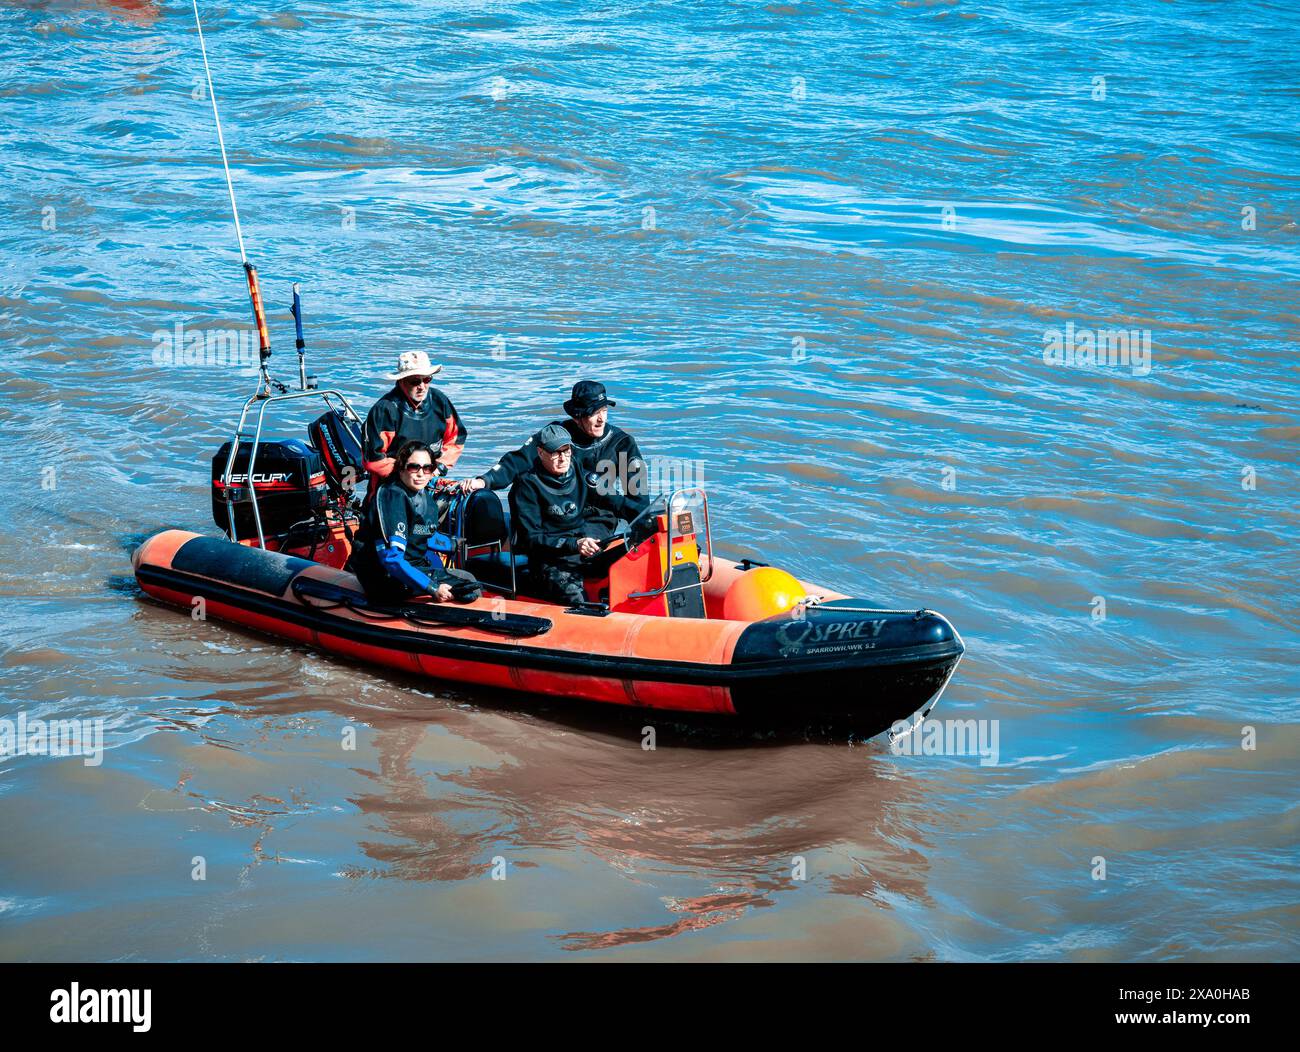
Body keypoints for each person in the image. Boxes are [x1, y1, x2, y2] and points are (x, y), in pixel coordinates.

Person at [461, 381, 648, 532]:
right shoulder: (557, 435)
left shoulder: (622, 443)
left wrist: (646, 523)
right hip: (555, 514)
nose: (602, 419)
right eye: (594, 413)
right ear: (577, 416)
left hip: (597, 519)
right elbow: (518, 461)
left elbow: (638, 496)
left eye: (604, 411)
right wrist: (485, 481)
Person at [508, 423, 641, 605]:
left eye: (567, 451)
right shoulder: (526, 486)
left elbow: (611, 499)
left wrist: (647, 517)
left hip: (579, 550)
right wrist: (574, 544)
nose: (563, 458)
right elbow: (531, 538)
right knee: (574, 595)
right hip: (548, 560)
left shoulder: (576, 470)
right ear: (540, 452)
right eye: (556, 453)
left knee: (631, 557)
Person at [347, 441, 481, 605]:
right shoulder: (393, 497)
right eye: (414, 467)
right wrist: (432, 588)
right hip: (383, 576)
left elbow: (422, 533)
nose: (421, 474)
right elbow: (391, 559)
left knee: (468, 582)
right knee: (469, 586)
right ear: (401, 468)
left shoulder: (425, 499)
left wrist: (452, 544)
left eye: (427, 468)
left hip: (409, 569)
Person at [361, 351, 467, 500]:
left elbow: (456, 438)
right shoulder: (385, 410)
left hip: (431, 481)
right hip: (390, 488)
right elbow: (373, 460)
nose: (422, 387)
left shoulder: (440, 401)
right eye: (415, 381)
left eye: (427, 379)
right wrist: (411, 474)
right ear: (401, 381)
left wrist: (438, 468)